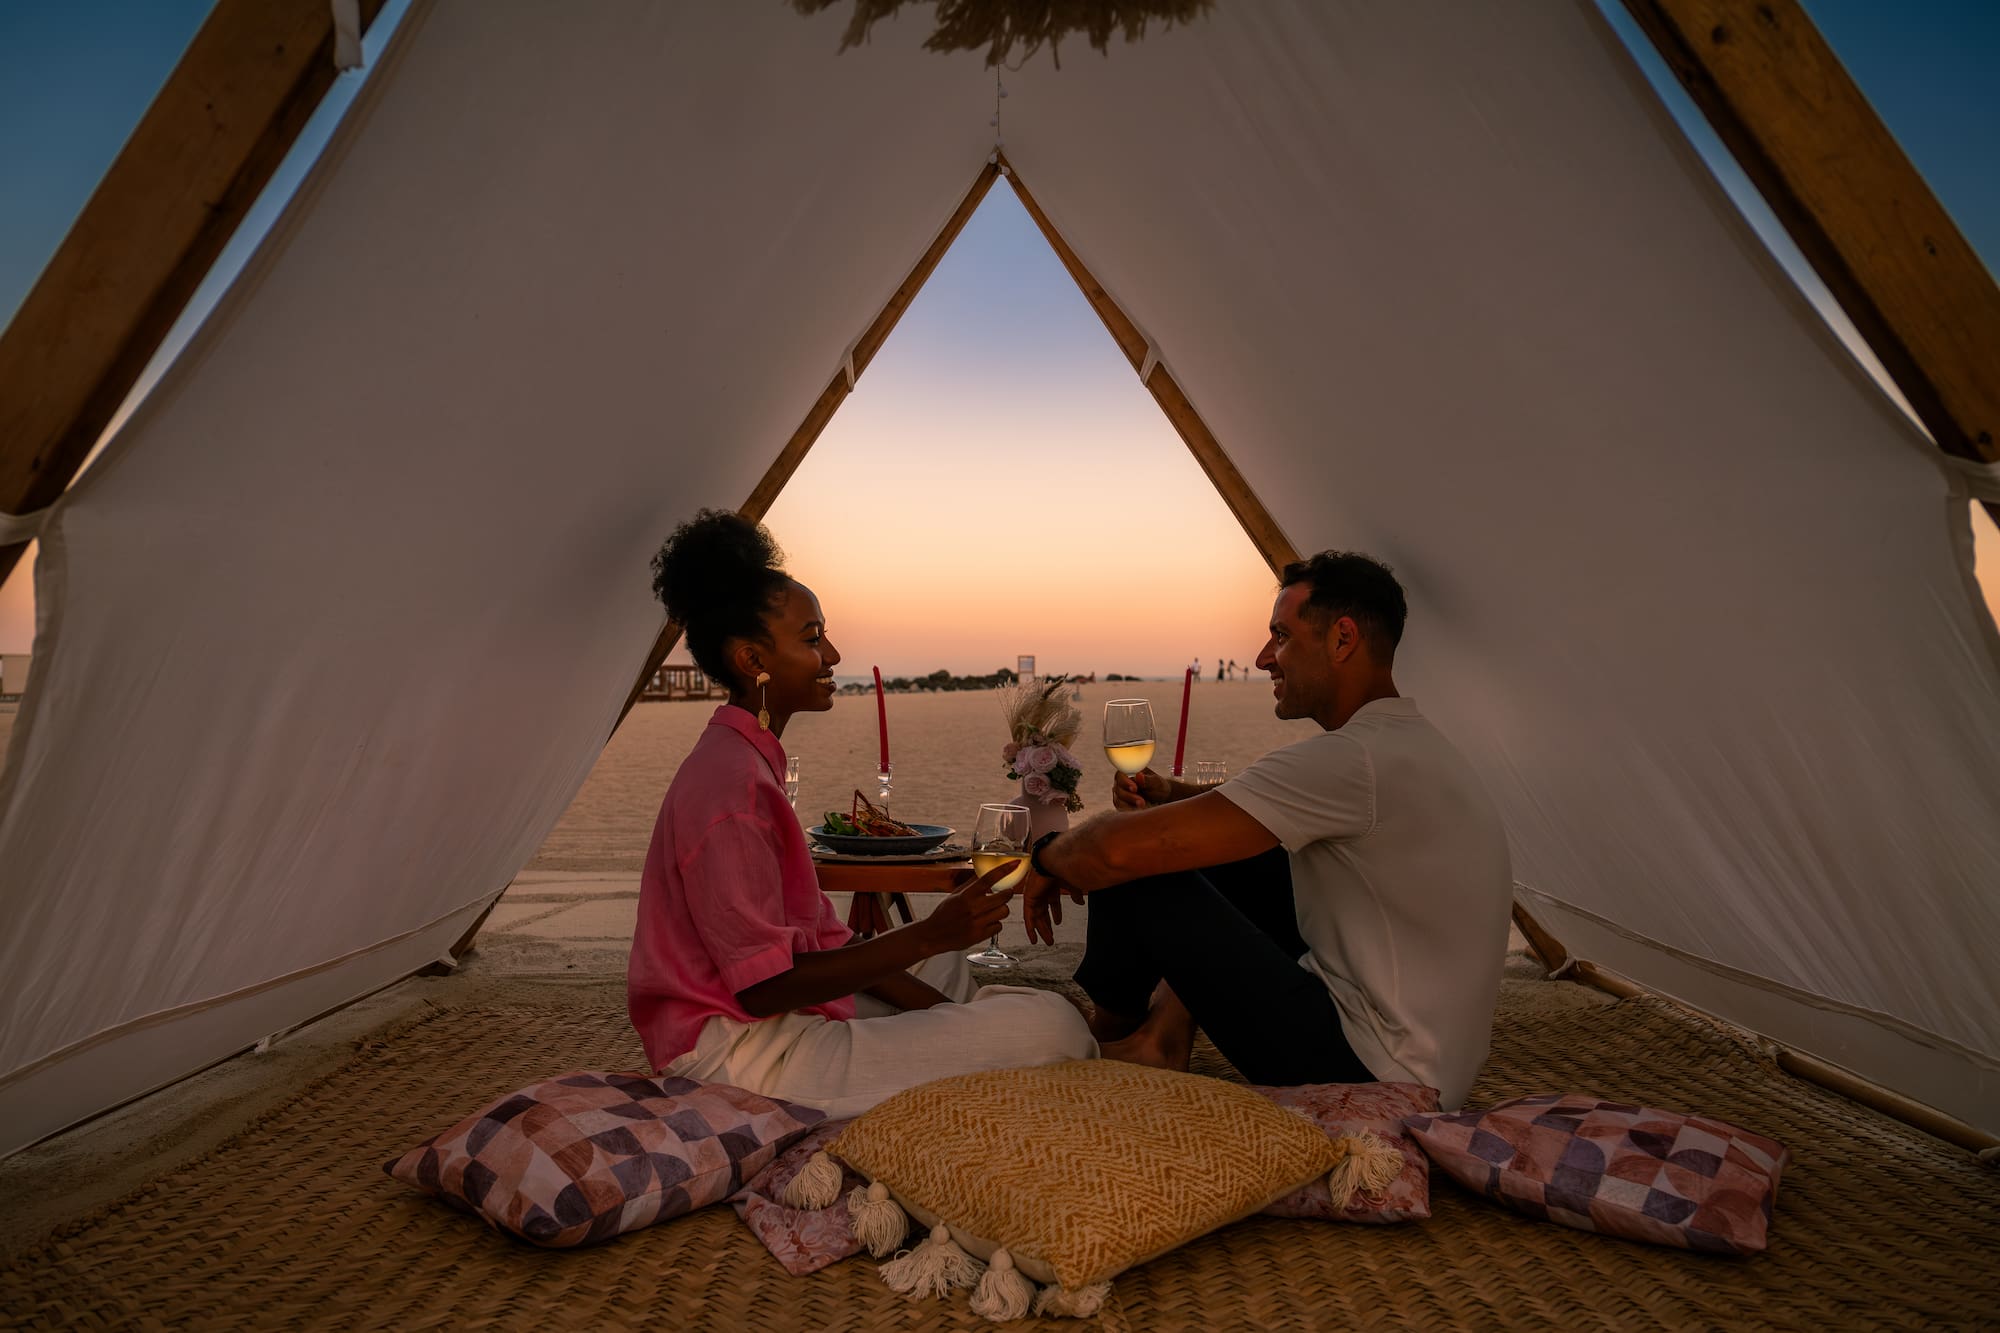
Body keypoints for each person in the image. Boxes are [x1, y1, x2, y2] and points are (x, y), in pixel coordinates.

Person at [628, 510, 1095, 1118]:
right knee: (1053, 1027)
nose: (833, 653)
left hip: (777, 1013)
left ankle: (973, 1034)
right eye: (812, 637)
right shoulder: (732, 791)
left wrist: (948, 1013)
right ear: (752, 661)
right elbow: (764, 985)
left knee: (947, 971)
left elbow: (826, 940)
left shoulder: (743, 759)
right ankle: (993, 1041)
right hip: (738, 1051)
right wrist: (930, 935)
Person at [1019, 552, 1511, 1108]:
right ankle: (1160, 1034)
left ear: (1342, 638)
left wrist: (1047, 855)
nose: (1262, 658)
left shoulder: (1352, 759)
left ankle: (1122, 1034)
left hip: (1373, 1079)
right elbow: (1260, 810)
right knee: (1218, 851)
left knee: (1133, 856)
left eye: (1280, 636)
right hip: (1428, 1065)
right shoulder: (1404, 747)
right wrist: (1177, 797)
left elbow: (1112, 854)